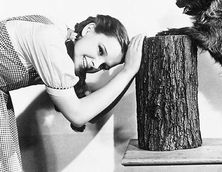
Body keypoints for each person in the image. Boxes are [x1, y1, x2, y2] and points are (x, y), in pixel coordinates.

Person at [0, 14, 144, 172]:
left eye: (104, 66)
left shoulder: (66, 49)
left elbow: (88, 116)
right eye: (100, 50)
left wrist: (129, 73)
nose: (96, 63)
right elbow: (78, 115)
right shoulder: (51, 42)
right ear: (89, 30)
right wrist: (128, 72)